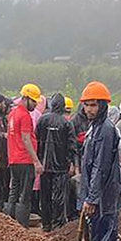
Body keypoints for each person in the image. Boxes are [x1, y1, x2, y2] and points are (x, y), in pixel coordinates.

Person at [78, 82, 121, 241]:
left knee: (104, 236)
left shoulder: (105, 130)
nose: (89, 109)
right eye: (86, 105)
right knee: (95, 234)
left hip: (104, 196)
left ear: (103, 106)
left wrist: (92, 198)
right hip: (95, 194)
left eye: (93, 105)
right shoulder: (93, 128)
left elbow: (100, 167)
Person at [36, 93, 77, 232]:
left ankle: (46, 223)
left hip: (44, 164)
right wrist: (72, 163)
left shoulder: (42, 120)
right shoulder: (66, 123)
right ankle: (57, 224)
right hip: (60, 166)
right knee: (59, 196)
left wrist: (38, 160)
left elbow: (36, 141)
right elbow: (72, 146)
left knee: (45, 196)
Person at [7, 84, 44, 226]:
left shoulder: (12, 114)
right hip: (25, 160)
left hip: (14, 160)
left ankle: (9, 224)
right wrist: (36, 161)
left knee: (14, 193)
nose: (35, 104)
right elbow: (26, 138)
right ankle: (22, 227)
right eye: (34, 101)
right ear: (26, 98)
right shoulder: (25, 116)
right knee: (25, 195)